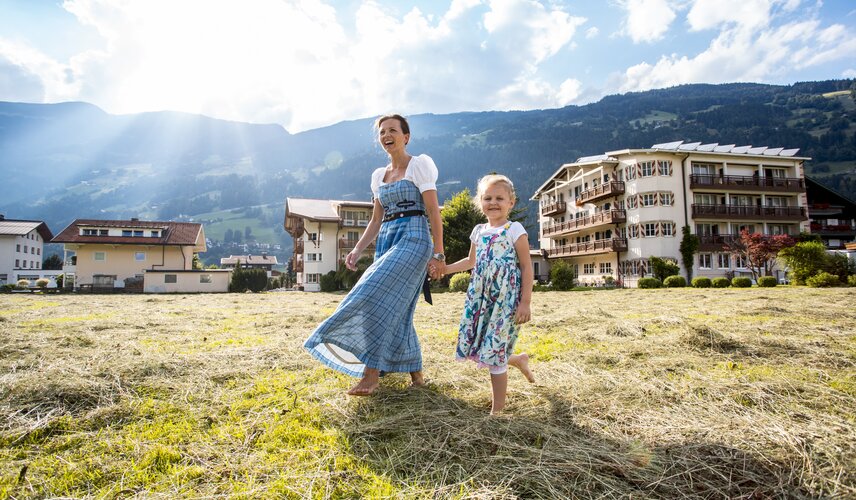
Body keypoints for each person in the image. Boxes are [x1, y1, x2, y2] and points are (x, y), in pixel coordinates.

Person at [304, 114, 446, 396]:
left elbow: (433, 211)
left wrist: (439, 254)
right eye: (382, 132)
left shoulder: (419, 166)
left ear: (406, 137)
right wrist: (357, 249)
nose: (386, 135)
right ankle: (416, 374)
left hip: (415, 238)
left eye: (393, 130)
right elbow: (375, 220)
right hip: (387, 239)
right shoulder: (377, 176)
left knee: (371, 295)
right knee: (399, 308)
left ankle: (371, 375)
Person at [434, 174, 534, 415]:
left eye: (500, 198)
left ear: (511, 202)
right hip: (481, 299)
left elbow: (526, 266)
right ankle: (518, 360)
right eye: (487, 198)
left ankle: (496, 413)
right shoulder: (478, 231)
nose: (493, 202)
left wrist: (525, 302)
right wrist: (445, 269)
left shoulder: (514, 230)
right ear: (480, 202)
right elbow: (471, 261)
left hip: (505, 301)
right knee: (481, 347)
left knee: (495, 353)